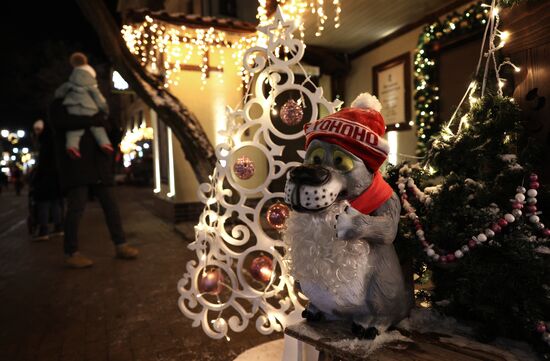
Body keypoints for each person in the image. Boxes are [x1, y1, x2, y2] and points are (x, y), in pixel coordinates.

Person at [49, 59, 138, 269]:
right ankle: (71, 252)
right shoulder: (61, 102)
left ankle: (121, 244)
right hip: (77, 164)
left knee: (111, 207)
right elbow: (59, 124)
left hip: (100, 165)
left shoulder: (99, 104)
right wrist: (90, 121)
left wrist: (114, 129)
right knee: (76, 208)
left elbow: (110, 131)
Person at [54, 52, 113, 159]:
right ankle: (105, 143)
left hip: (72, 107)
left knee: (74, 130)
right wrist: (105, 110)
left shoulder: (70, 83)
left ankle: (72, 146)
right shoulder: (91, 86)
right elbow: (99, 99)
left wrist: (60, 97)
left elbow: (59, 92)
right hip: (89, 108)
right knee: (97, 127)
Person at [29, 119, 64, 241]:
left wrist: (36, 178)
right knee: (55, 203)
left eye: (38, 129)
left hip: (45, 178)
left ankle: (44, 230)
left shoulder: (44, 143)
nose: (36, 132)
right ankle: (58, 227)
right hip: (55, 178)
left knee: (43, 204)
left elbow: (43, 163)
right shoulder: (54, 140)